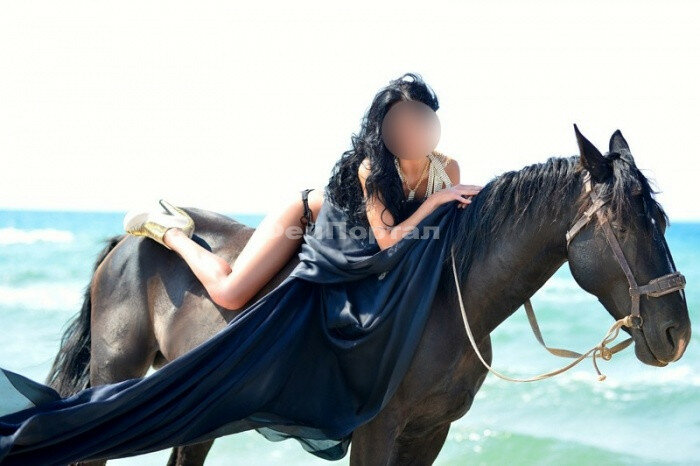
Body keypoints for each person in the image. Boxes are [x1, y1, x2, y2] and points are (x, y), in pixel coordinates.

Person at [123, 72, 482, 311]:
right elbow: (388, 239)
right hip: (306, 216)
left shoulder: (447, 169)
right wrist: (437, 200)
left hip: (358, 248)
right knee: (230, 294)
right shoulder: (373, 168)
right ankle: (170, 231)